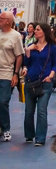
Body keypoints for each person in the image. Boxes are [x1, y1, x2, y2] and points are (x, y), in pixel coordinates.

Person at [22, 22, 56, 146]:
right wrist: (28, 51)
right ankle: (29, 135)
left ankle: (40, 138)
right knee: (29, 111)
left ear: (44, 31)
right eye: (35, 29)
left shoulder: (51, 47)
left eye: (38, 29)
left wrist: (51, 76)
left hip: (45, 82)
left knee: (41, 111)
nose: (35, 31)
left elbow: (54, 64)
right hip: (30, 81)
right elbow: (26, 63)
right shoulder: (31, 46)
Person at [0, 10, 23, 142]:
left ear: (8, 21)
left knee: (3, 101)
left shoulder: (16, 36)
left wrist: (16, 74)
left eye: (1, 18)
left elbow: (19, 55)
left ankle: (6, 129)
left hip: (7, 72)